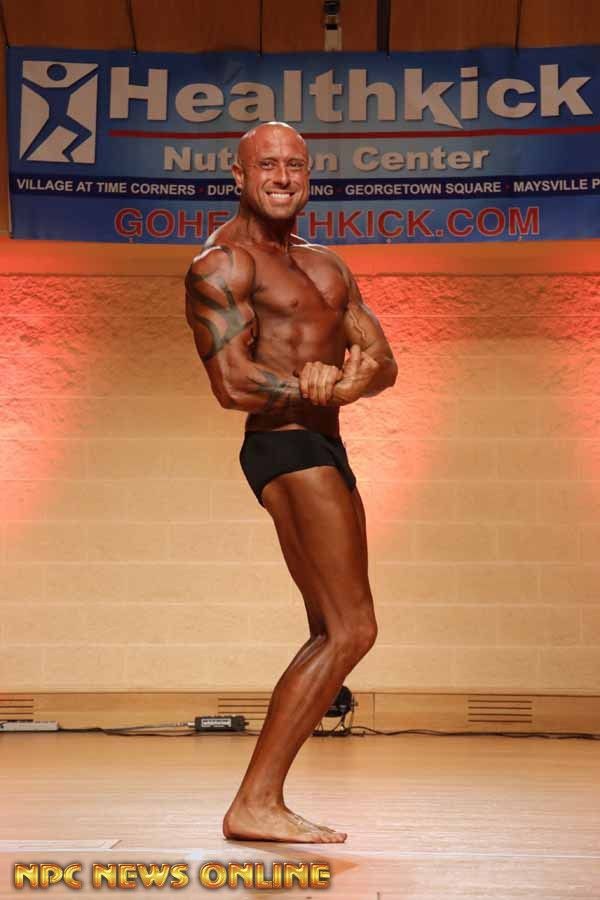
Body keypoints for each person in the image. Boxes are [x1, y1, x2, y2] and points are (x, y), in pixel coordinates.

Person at [185, 121, 397, 843]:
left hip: (325, 442)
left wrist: (356, 381)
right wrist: (311, 387)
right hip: (282, 444)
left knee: (330, 628)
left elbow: (382, 360)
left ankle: (260, 801)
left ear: (308, 176)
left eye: (295, 166)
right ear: (239, 177)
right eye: (267, 165)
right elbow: (232, 383)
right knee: (354, 627)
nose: (282, 177)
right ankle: (255, 801)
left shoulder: (327, 265)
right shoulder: (220, 265)